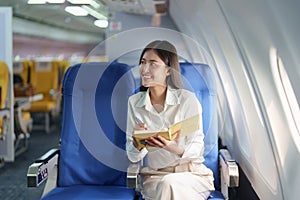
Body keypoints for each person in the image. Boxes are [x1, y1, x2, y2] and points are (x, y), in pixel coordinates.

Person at [126, 40, 215, 200]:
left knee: (170, 184)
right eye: (142, 63)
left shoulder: (187, 100)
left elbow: (197, 147)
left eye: (153, 64)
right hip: (155, 177)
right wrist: (136, 143)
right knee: (167, 184)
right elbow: (133, 157)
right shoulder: (135, 103)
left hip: (192, 175)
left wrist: (173, 148)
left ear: (168, 70)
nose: (145, 69)